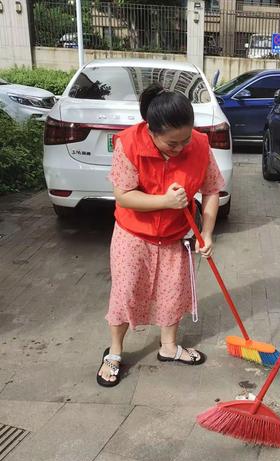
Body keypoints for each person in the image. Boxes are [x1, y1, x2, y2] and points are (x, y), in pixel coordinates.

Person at [97, 84, 224, 387]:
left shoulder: (200, 145)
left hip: (175, 236)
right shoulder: (128, 145)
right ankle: (114, 352)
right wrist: (164, 202)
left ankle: (168, 347)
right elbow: (123, 196)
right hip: (133, 235)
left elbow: (211, 191)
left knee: (173, 292)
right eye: (171, 143)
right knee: (126, 291)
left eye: (185, 139)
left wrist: (206, 232)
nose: (180, 148)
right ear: (151, 131)